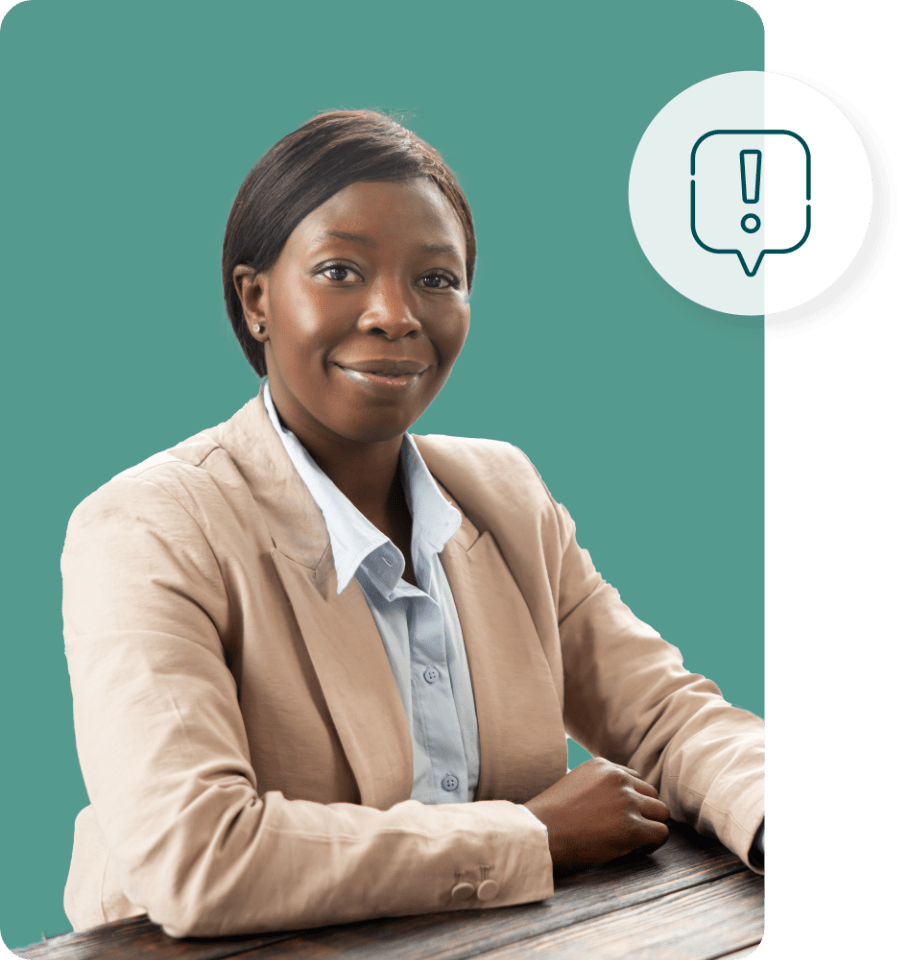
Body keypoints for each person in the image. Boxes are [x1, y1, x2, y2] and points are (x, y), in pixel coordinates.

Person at [61, 110, 764, 939]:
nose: (395, 314)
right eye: (339, 271)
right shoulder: (148, 527)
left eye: (435, 279)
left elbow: (660, 715)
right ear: (256, 299)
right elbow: (201, 855)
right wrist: (534, 835)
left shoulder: (501, 491)